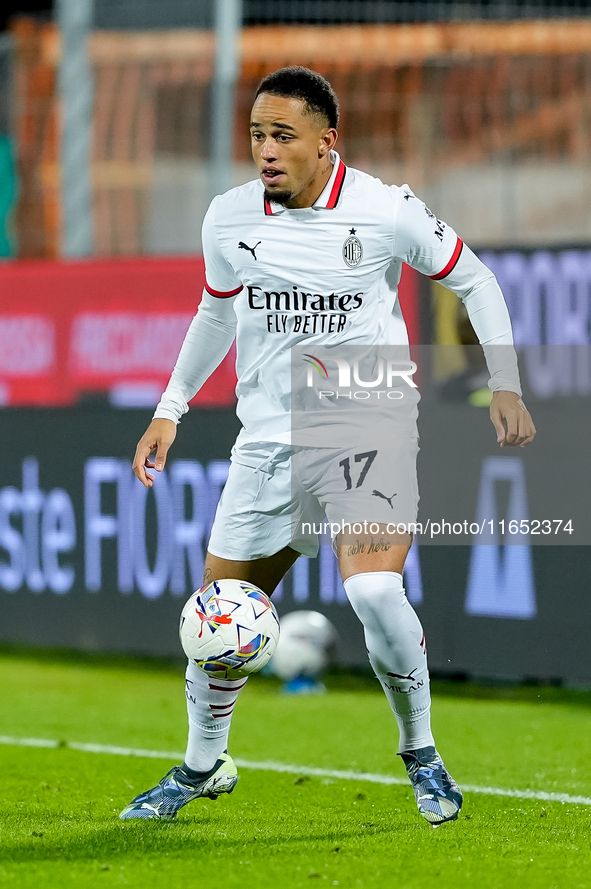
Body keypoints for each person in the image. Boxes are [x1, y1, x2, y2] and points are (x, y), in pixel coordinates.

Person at [119, 67, 536, 825]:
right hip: (267, 438)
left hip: (363, 421)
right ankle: (203, 765)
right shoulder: (230, 218)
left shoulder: (384, 210)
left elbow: (474, 280)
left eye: (282, 136)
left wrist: (501, 381)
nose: (265, 152)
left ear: (325, 141)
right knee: (218, 618)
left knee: (374, 590)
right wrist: (169, 407)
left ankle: (420, 752)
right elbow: (215, 314)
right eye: (255, 135)